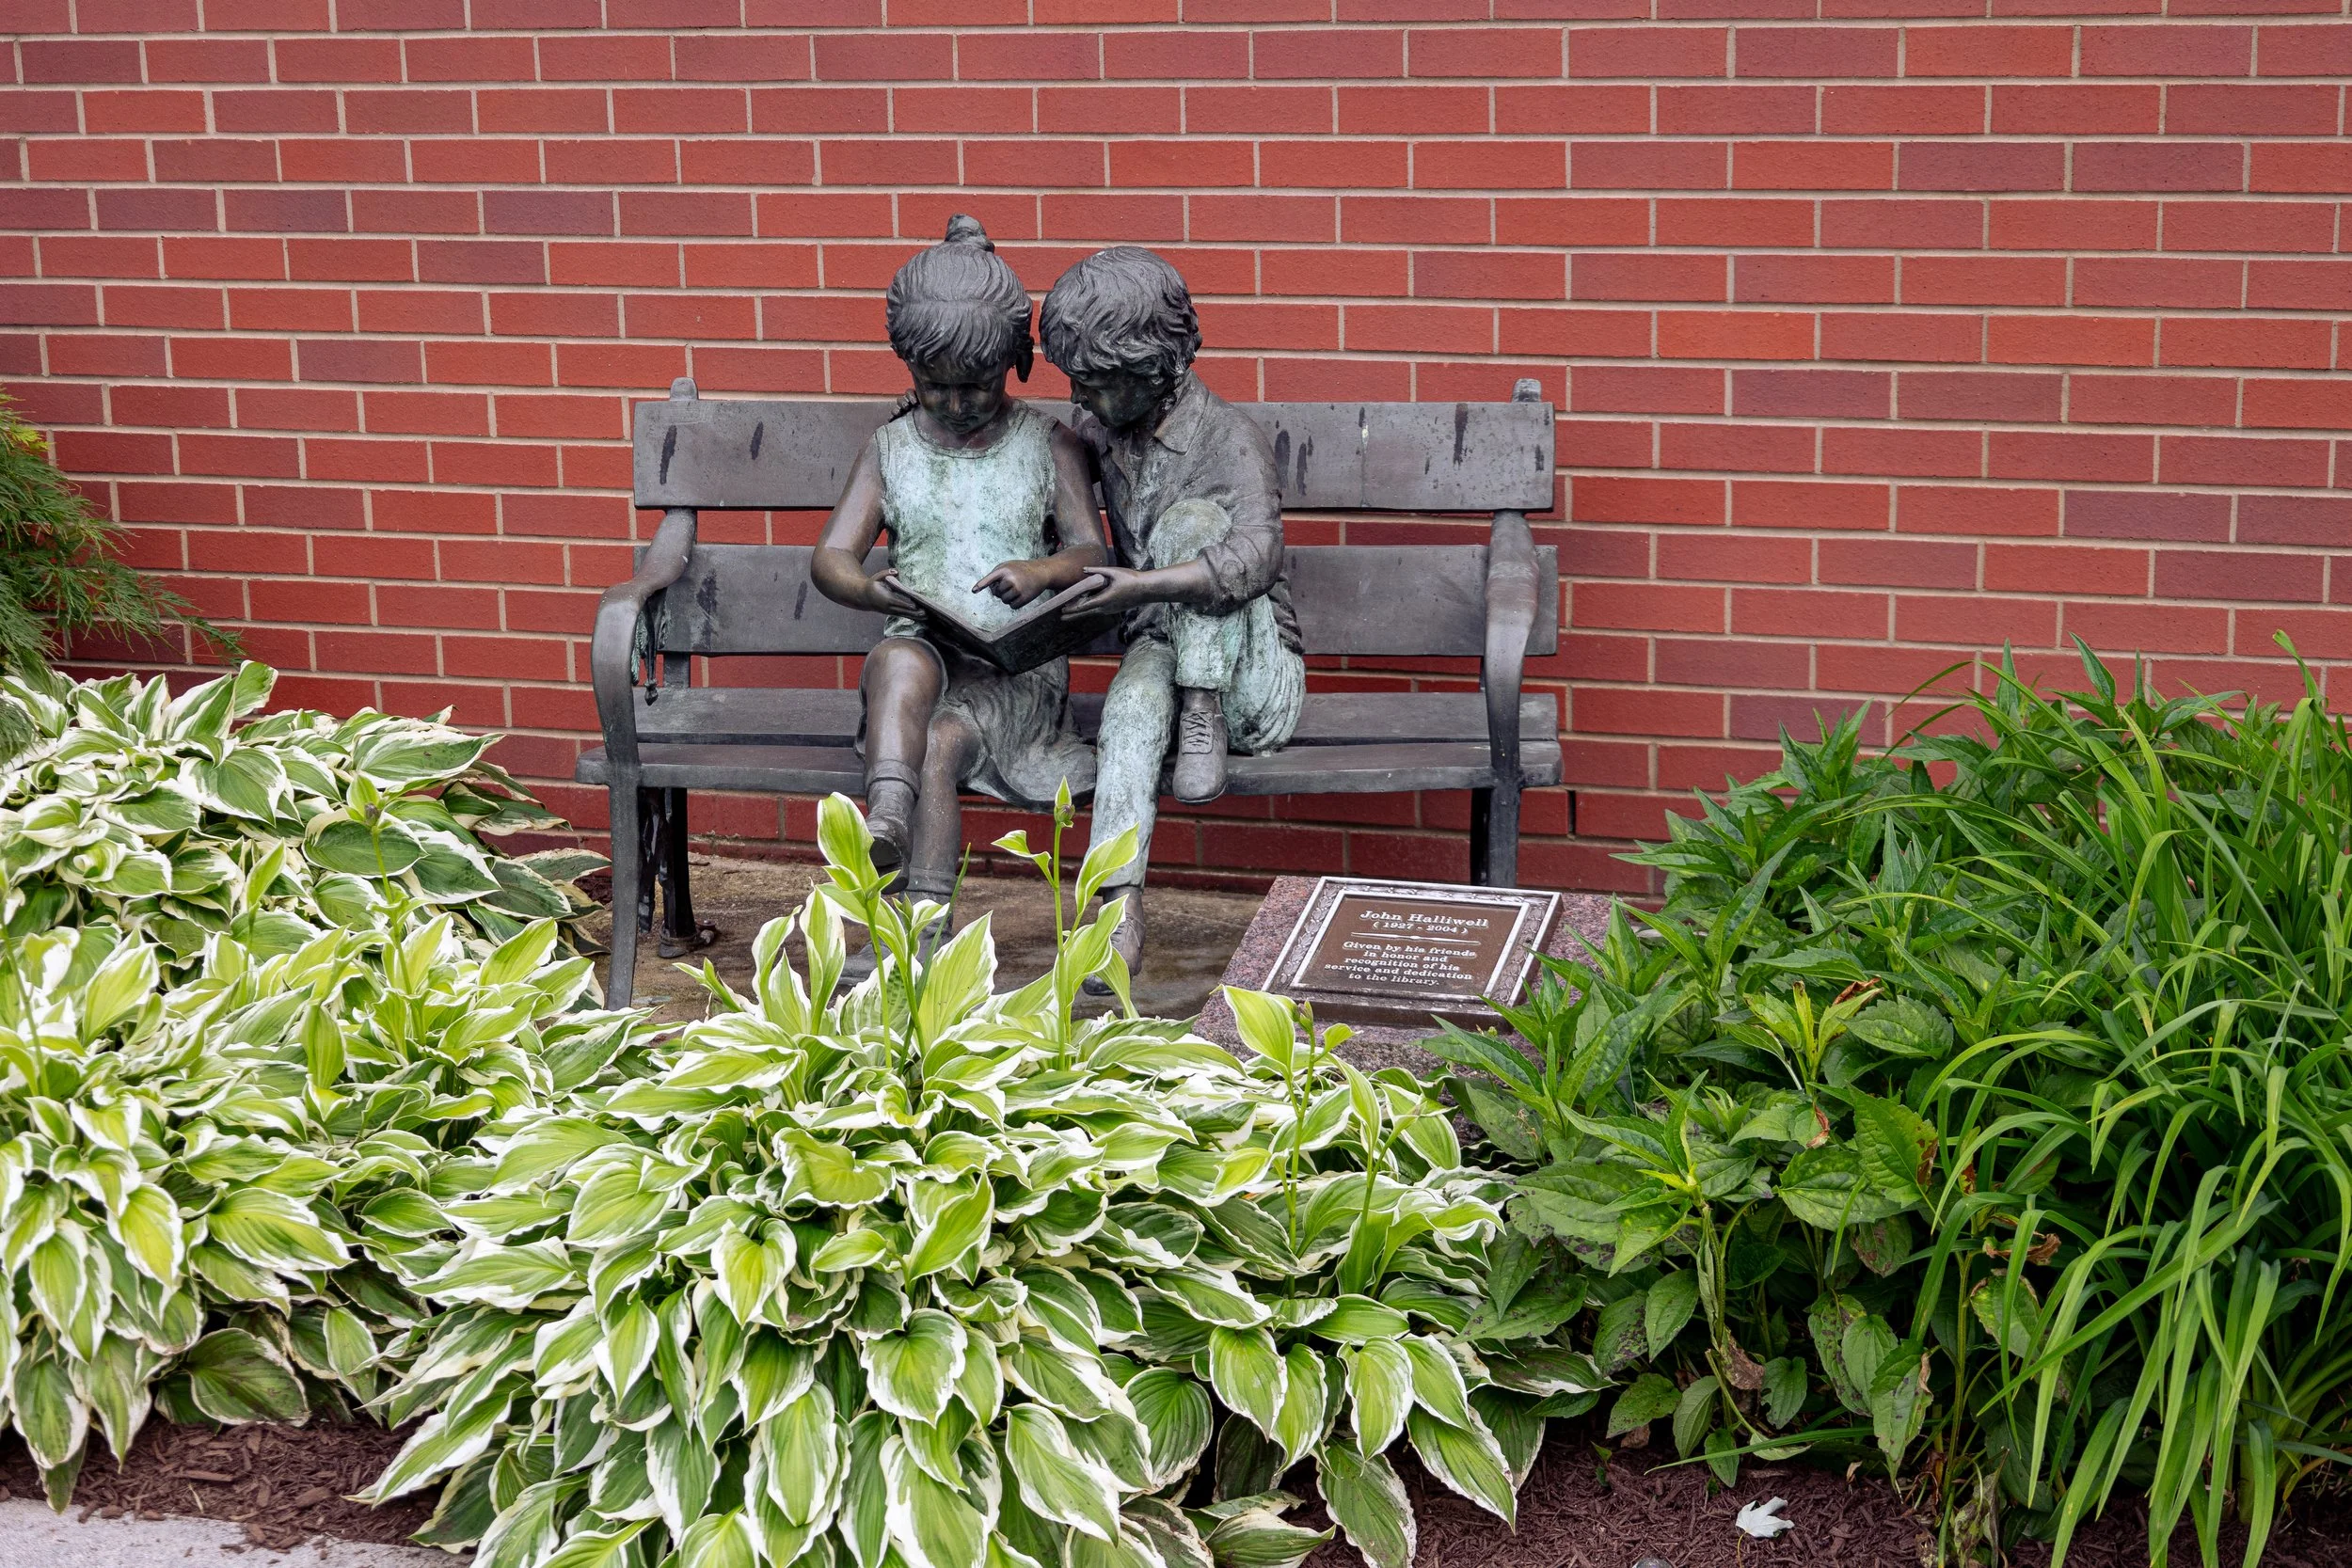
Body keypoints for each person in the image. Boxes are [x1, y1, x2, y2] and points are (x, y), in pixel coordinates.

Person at [809, 215, 1107, 905]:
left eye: (974, 387)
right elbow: (830, 557)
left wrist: (1039, 573)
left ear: (1013, 361)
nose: (952, 402)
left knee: (941, 741)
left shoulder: (1047, 443)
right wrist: (870, 591)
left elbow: (1093, 550)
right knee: (894, 660)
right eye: (934, 385)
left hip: (1016, 672)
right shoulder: (891, 448)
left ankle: (921, 919)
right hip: (928, 650)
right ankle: (885, 813)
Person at [1041, 245, 1306, 982]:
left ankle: (1201, 706)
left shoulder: (1229, 437)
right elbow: (1027, 450)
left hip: (1253, 685)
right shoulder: (1098, 430)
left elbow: (1258, 554)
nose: (1080, 397)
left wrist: (1140, 585)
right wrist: (926, 402)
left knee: (1193, 525)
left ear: (1151, 366)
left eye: (1093, 383)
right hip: (1161, 638)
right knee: (1127, 708)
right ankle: (1115, 912)